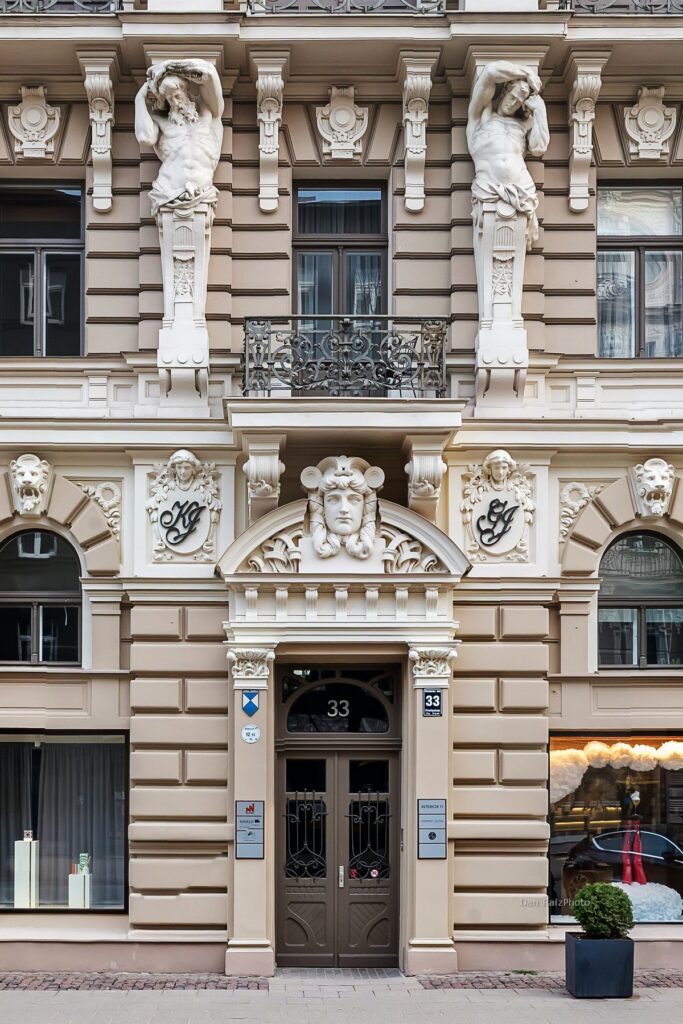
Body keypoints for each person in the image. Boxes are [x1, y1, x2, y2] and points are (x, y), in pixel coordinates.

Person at [467, 61, 549, 248]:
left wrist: (539, 110)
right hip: (488, 186)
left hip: (521, 189)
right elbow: (489, 72)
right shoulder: (481, 115)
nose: (514, 103)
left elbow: (539, 147)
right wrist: (527, 72)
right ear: (504, 91)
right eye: (513, 97)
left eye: (519, 102)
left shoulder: (523, 124)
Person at [134, 59, 224, 216]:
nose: (175, 102)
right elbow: (145, 137)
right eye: (169, 99)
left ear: (185, 90)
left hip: (203, 191)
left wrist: (170, 67)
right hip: (169, 189)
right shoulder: (161, 121)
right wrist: (139, 99)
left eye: (177, 95)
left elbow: (209, 73)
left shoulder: (208, 113)